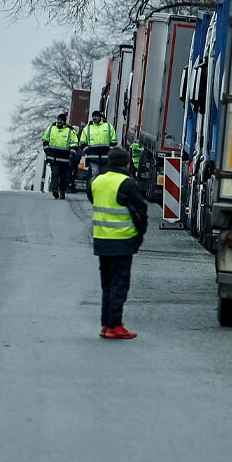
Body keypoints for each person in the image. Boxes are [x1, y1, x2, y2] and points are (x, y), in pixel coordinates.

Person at [92, 147, 148, 339]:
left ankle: (107, 324)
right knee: (119, 285)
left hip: (101, 241)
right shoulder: (126, 183)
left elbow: (94, 199)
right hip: (122, 241)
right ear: (126, 163)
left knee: (107, 285)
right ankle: (114, 325)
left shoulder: (97, 181)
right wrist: (140, 235)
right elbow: (139, 211)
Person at [79, 111, 118, 191]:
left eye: (96, 116)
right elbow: (82, 142)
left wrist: (109, 152)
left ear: (100, 117)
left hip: (105, 157)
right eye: (93, 116)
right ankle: (93, 190)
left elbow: (113, 141)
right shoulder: (88, 128)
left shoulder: (108, 127)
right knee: (95, 173)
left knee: (104, 175)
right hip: (92, 157)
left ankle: (102, 191)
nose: (94, 118)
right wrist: (88, 151)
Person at [42, 112, 77, 199]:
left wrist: (71, 154)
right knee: (55, 173)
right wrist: (47, 152)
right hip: (53, 157)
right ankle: (54, 190)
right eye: (58, 119)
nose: (59, 121)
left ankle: (62, 191)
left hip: (65, 158)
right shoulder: (51, 128)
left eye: (61, 120)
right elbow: (45, 140)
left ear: (64, 121)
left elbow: (74, 144)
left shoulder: (70, 131)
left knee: (63, 176)